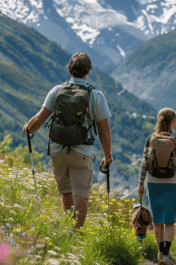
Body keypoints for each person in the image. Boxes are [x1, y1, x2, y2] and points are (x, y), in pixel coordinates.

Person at [23, 53, 112, 230]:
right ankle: (76, 233)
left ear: (69, 69)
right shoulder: (95, 94)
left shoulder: (57, 91)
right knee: (81, 193)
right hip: (81, 152)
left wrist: (28, 128)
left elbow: (39, 120)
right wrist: (107, 155)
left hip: (57, 150)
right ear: (88, 70)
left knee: (66, 191)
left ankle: (67, 229)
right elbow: (103, 130)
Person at [138, 108, 176, 265]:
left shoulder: (151, 139)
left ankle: (160, 254)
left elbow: (144, 163)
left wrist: (141, 183)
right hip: (173, 184)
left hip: (154, 184)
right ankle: (166, 255)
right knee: (169, 221)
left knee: (158, 221)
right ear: (174, 122)